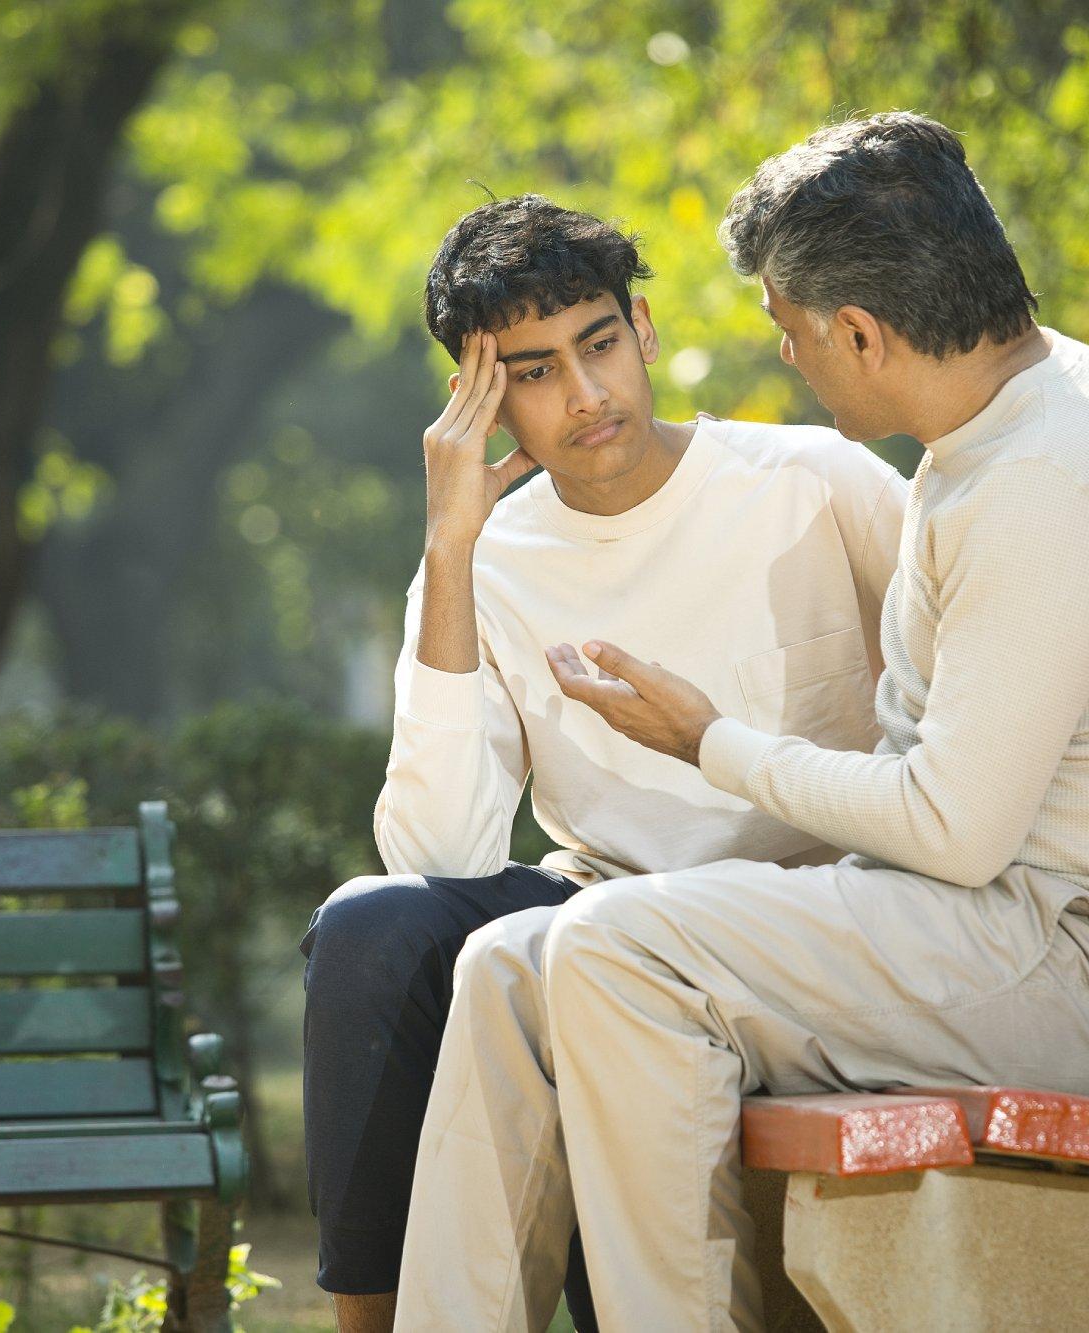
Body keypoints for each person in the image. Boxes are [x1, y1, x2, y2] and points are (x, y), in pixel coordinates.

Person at [394, 113, 1089, 1331]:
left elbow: (954, 829)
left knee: (608, 948)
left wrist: (708, 738)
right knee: (504, 966)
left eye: (793, 334)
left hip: (1084, 964)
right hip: (987, 927)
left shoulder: (1045, 480)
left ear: (860, 330)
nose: (789, 361)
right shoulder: (1012, 416)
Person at [299, 194, 909, 1333]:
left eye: (596, 345)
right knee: (368, 929)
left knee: (580, 971)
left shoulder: (812, 480)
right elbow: (439, 852)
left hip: (811, 917)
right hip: (598, 904)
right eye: (532, 372)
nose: (584, 396)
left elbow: (956, 692)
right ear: (478, 403)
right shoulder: (483, 562)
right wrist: (448, 546)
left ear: (642, 329)